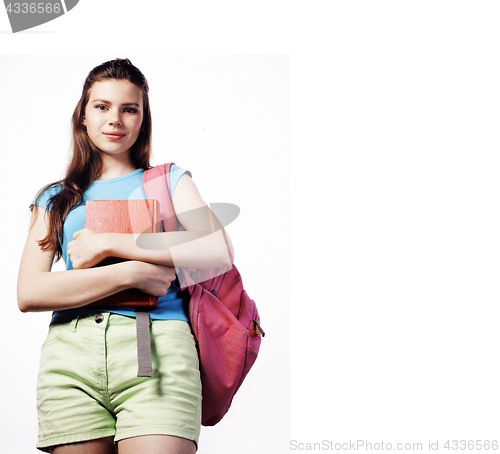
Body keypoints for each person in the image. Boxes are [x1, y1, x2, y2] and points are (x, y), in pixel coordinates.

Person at [17, 58, 234, 454]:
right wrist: (132, 273)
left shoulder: (168, 180)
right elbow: (29, 292)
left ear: (142, 119)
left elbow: (216, 250)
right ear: (82, 116)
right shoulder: (55, 198)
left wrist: (109, 243)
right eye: (102, 106)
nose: (115, 119)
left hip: (158, 347)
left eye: (129, 108)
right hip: (70, 354)